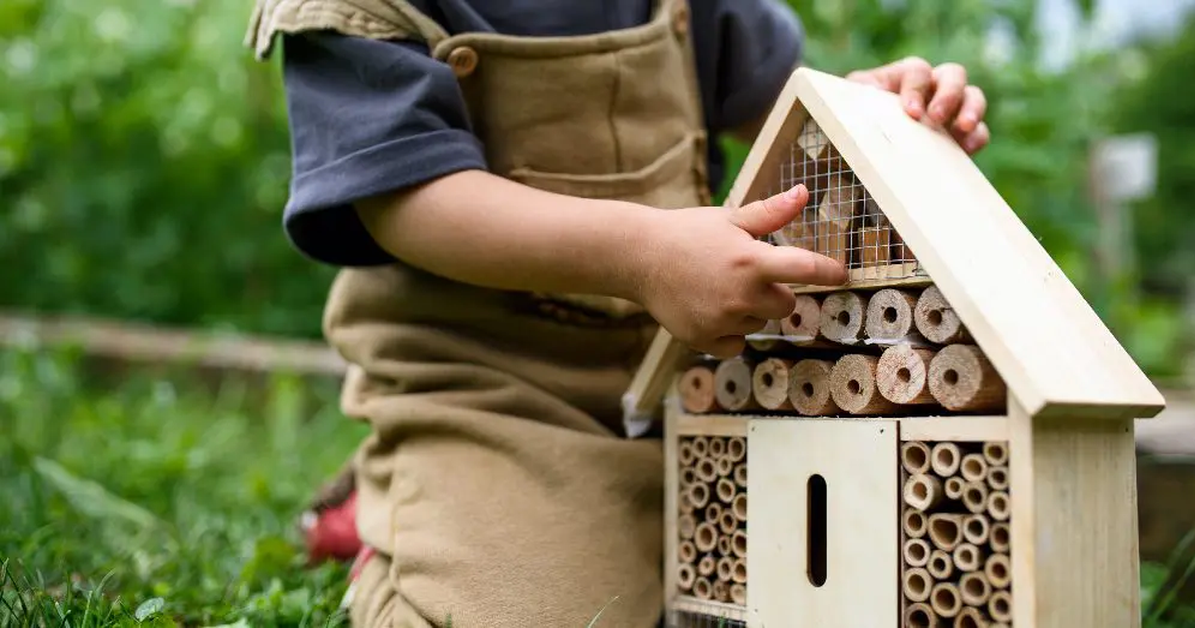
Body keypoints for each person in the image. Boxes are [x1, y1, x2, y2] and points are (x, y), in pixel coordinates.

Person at [244, 0, 991, 625]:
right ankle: (404, 515)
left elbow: (774, 104)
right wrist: (644, 257)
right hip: (491, 382)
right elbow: (406, 198)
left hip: (696, 369)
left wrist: (869, 107)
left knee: (858, 567)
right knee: (533, 611)